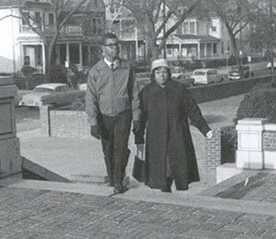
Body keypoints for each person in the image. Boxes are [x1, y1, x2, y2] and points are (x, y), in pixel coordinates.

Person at [134, 58, 213, 192]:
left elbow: (192, 109)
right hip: (157, 136)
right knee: (161, 165)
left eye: (164, 72)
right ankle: (164, 189)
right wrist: (139, 137)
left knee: (176, 162)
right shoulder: (147, 92)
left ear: (169, 73)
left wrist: (205, 129)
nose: (162, 75)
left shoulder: (178, 89)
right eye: (158, 72)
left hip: (177, 133)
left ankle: (177, 188)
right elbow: (141, 117)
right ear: (153, 75)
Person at [86, 33, 141, 194]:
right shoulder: (96, 71)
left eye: (116, 44)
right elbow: (91, 97)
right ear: (103, 49)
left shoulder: (126, 68)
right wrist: (93, 122)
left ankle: (118, 180)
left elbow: (134, 93)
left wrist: (136, 116)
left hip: (123, 114)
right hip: (104, 117)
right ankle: (113, 178)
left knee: (121, 148)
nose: (115, 48)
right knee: (108, 149)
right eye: (111, 45)